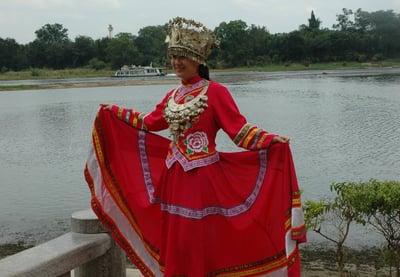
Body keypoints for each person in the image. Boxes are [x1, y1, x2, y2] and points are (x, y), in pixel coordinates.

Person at [85, 17, 306, 277]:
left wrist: (270, 140)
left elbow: (239, 131)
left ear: (198, 60)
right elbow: (151, 122)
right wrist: (116, 112)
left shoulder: (216, 92)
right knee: (177, 238)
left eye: (183, 57)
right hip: (174, 179)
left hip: (203, 181)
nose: (177, 63)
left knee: (199, 237)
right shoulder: (173, 95)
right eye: (174, 56)